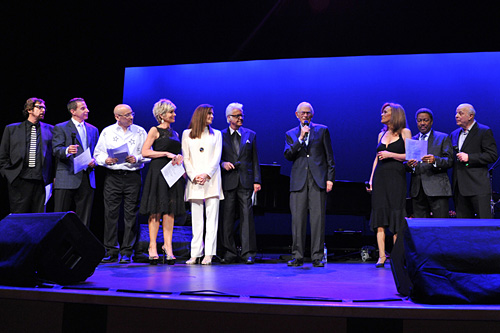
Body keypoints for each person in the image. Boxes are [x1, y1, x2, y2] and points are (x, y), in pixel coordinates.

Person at [94, 104, 148, 264]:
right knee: (110, 214)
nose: (131, 117)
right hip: (113, 176)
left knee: (131, 215)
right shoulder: (107, 131)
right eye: (127, 115)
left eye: (132, 113)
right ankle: (110, 250)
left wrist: (137, 158)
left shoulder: (140, 131)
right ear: (117, 117)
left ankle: (127, 251)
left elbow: (148, 153)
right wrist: (106, 160)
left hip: (132, 176)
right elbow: (98, 153)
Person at [284, 101, 335, 268]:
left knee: (317, 220)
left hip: (317, 180)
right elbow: (288, 155)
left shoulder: (322, 130)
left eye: (308, 113)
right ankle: (297, 256)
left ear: (312, 115)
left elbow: (329, 158)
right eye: (303, 113)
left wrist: (330, 178)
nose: (305, 115)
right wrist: (300, 138)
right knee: (297, 221)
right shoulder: (291, 134)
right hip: (298, 181)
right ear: (297, 115)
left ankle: (317, 256)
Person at [140, 99, 185, 265]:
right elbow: (145, 152)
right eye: (171, 112)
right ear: (161, 115)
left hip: (172, 174)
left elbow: (176, 153)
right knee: (155, 209)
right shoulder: (154, 130)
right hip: (158, 172)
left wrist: (178, 157)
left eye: (174, 111)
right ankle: (152, 247)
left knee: (170, 210)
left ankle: (168, 246)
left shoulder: (176, 133)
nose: (174, 114)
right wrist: (165, 153)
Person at [367, 102, 412, 268]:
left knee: (396, 214)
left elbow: (409, 156)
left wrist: (390, 154)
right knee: (380, 215)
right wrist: (371, 179)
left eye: (385, 112)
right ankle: (381, 255)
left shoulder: (404, 132)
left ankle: (396, 254)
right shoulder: (381, 135)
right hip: (380, 177)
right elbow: (376, 158)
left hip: (396, 176)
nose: (382, 114)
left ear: (395, 115)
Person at [220, 102, 261, 264]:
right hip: (228, 181)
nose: (240, 118)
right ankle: (229, 252)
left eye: (241, 115)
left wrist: (257, 180)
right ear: (229, 118)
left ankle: (248, 252)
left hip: (245, 181)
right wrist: (222, 163)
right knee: (227, 218)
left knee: (247, 218)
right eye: (237, 116)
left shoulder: (250, 135)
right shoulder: (219, 135)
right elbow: (215, 158)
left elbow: (255, 160)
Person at [182, 104, 223, 265]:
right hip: (195, 182)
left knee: (212, 219)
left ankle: (209, 253)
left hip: (211, 180)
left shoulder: (216, 134)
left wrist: (206, 174)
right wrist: (194, 176)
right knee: (197, 220)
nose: (212, 116)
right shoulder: (187, 134)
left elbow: (216, 157)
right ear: (201, 115)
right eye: (209, 114)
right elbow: (186, 158)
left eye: (212, 114)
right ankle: (195, 253)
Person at [0, 97, 54, 213]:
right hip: (20, 179)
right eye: (39, 107)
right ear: (29, 109)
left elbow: (54, 156)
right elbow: (3, 155)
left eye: (44, 108)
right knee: (19, 216)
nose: (43, 110)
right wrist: (9, 175)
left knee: (39, 217)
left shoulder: (50, 130)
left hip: (41, 181)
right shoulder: (12, 129)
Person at [52, 98, 99, 227]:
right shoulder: (61, 127)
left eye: (86, 108)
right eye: (83, 108)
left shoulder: (93, 129)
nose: (87, 110)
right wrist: (67, 150)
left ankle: (81, 245)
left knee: (84, 217)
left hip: (87, 177)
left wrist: (95, 161)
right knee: (60, 215)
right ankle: (59, 245)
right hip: (67, 175)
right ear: (73, 111)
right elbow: (56, 150)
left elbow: (97, 151)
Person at [450, 103, 498, 218]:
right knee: (463, 227)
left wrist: (469, 158)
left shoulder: (484, 131)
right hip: (460, 188)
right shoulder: (454, 134)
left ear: (470, 116)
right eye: (456, 113)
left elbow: (492, 155)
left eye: (460, 113)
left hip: (478, 187)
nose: (456, 116)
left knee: (484, 225)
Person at [406, 108, 453, 218]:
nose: (422, 123)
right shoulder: (412, 140)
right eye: (419, 120)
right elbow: (405, 164)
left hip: (437, 190)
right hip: (417, 191)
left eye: (425, 120)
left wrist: (435, 160)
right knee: (420, 229)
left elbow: (450, 161)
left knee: (441, 226)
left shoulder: (442, 137)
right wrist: (409, 166)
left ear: (431, 121)